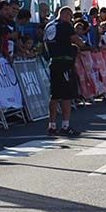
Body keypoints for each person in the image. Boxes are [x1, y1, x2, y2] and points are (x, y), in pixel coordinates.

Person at [45, 7, 87, 136]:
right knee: (66, 96)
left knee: (54, 95)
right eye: (70, 16)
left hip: (53, 61)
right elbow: (77, 41)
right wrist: (81, 45)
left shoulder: (49, 26)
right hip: (65, 63)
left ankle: (52, 125)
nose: (71, 19)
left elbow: (47, 43)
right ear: (65, 14)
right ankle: (65, 125)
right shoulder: (65, 25)